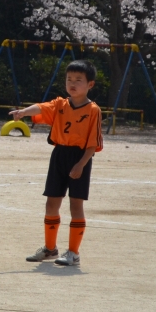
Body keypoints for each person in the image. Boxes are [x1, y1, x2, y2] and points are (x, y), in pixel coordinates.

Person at [10, 60, 103, 267]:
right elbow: (42, 107)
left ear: (90, 84)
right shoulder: (61, 104)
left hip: (80, 157)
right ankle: (50, 249)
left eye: (78, 80)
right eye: (69, 79)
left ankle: (74, 253)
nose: (72, 83)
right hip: (59, 154)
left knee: (76, 205)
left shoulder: (93, 110)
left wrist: (81, 164)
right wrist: (23, 112)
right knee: (52, 202)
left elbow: (92, 144)